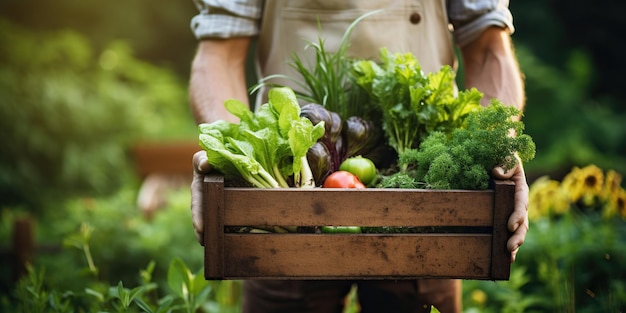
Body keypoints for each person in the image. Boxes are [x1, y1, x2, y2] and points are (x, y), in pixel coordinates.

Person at [188, 1, 529, 312]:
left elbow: (487, 46)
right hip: (283, 203)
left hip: (427, 199)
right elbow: (221, 52)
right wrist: (229, 155)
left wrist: (501, 144)